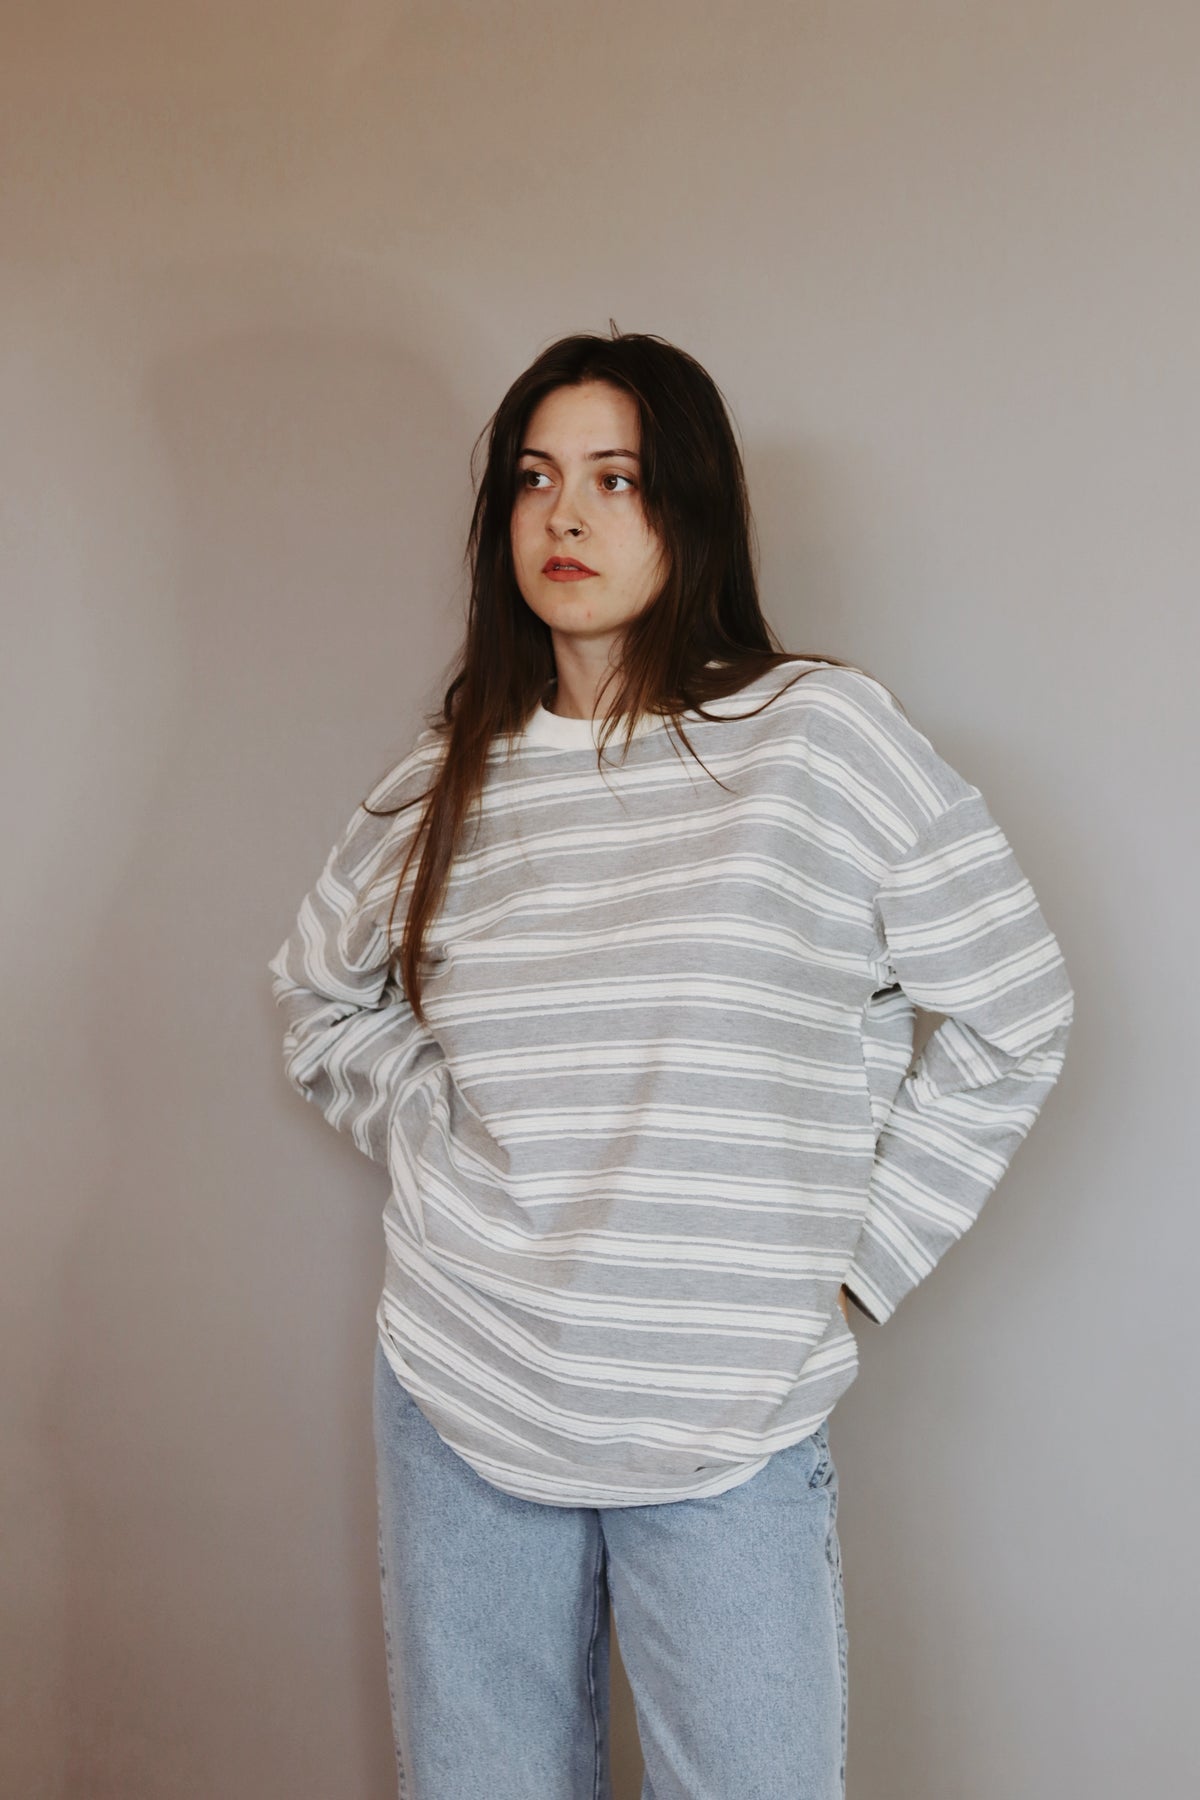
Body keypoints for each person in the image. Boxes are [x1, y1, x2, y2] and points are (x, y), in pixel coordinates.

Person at [266, 326, 1074, 1800]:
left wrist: (853, 1266)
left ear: (688, 507)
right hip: (467, 1387)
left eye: (616, 478)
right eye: (534, 479)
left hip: (726, 1412)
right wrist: (437, 1141)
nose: (565, 517)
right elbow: (322, 1000)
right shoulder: (447, 777)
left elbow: (1017, 1010)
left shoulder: (816, 740)